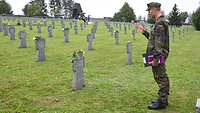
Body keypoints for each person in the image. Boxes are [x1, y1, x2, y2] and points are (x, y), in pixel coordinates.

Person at [136, 2, 170, 110]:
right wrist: (145, 32)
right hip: (157, 54)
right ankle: (163, 98)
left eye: (149, 11)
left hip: (158, 55)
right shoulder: (159, 22)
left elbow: (159, 44)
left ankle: (161, 101)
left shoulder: (160, 23)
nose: (149, 13)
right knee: (161, 76)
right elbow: (155, 39)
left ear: (154, 9)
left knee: (161, 77)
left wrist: (155, 59)